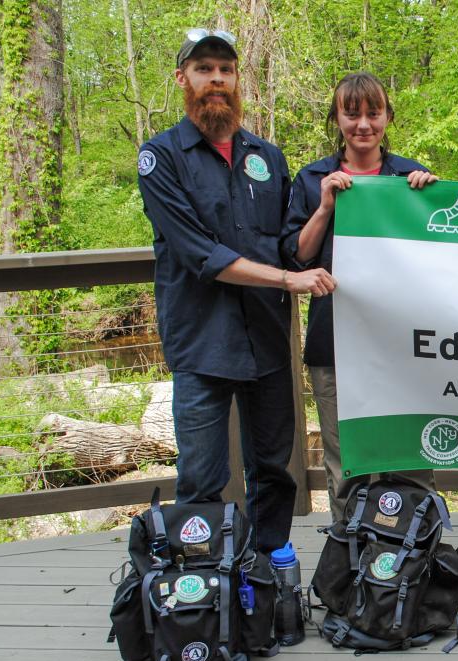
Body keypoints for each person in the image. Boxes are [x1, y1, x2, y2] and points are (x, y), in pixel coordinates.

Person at [137, 29, 335, 552]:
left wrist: (326, 212)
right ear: (183, 80)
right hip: (202, 343)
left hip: (266, 341)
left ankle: (267, 571)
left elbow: (288, 246)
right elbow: (201, 254)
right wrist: (287, 280)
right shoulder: (161, 158)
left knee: (273, 468)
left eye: (225, 70)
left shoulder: (267, 157)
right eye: (204, 70)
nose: (217, 80)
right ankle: (205, 587)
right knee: (202, 475)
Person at [280, 72, 436, 523]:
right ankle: (350, 557)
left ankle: (413, 551)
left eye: (373, 113)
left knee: (409, 453)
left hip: (406, 344)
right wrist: (326, 205)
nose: (363, 124)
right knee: (345, 458)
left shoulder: (409, 175)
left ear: (388, 117)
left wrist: (430, 198)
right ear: (337, 119)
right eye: (352, 114)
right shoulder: (312, 178)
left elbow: (442, 254)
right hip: (335, 340)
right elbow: (297, 255)